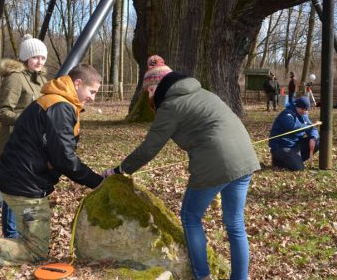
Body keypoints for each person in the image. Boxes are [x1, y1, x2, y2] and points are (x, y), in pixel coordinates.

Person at [102, 55, 260, 280]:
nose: (148, 95)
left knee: (190, 216)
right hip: (245, 158)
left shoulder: (171, 106)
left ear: (157, 86)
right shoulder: (203, 93)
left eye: (149, 90)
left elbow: (149, 148)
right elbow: (208, 125)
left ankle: (202, 275)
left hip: (216, 162)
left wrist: (120, 170)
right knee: (235, 225)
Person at [0, 64, 104, 275]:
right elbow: (64, 158)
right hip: (25, 184)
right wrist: (97, 182)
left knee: (33, 244)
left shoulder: (55, 101)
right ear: (78, 83)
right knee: (34, 251)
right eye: (92, 92)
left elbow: (55, 151)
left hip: (22, 178)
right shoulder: (60, 106)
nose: (93, 98)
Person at [0, 34, 48, 238]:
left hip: (34, 145)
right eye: (35, 57)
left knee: (29, 190)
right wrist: (26, 119)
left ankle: (28, 234)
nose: (39, 61)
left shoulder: (42, 80)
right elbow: (3, 112)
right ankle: (11, 237)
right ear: (25, 58)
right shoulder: (15, 77)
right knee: (14, 192)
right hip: (14, 146)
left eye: (42, 58)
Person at [269, 96, 320, 171]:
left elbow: (312, 128)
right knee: (298, 168)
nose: (304, 111)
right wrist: (309, 126)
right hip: (282, 146)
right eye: (302, 109)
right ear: (296, 106)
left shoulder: (304, 115)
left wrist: (313, 137)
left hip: (295, 145)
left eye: (306, 110)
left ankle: (294, 159)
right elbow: (292, 127)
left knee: (318, 141)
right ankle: (279, 161)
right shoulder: (287, 114)